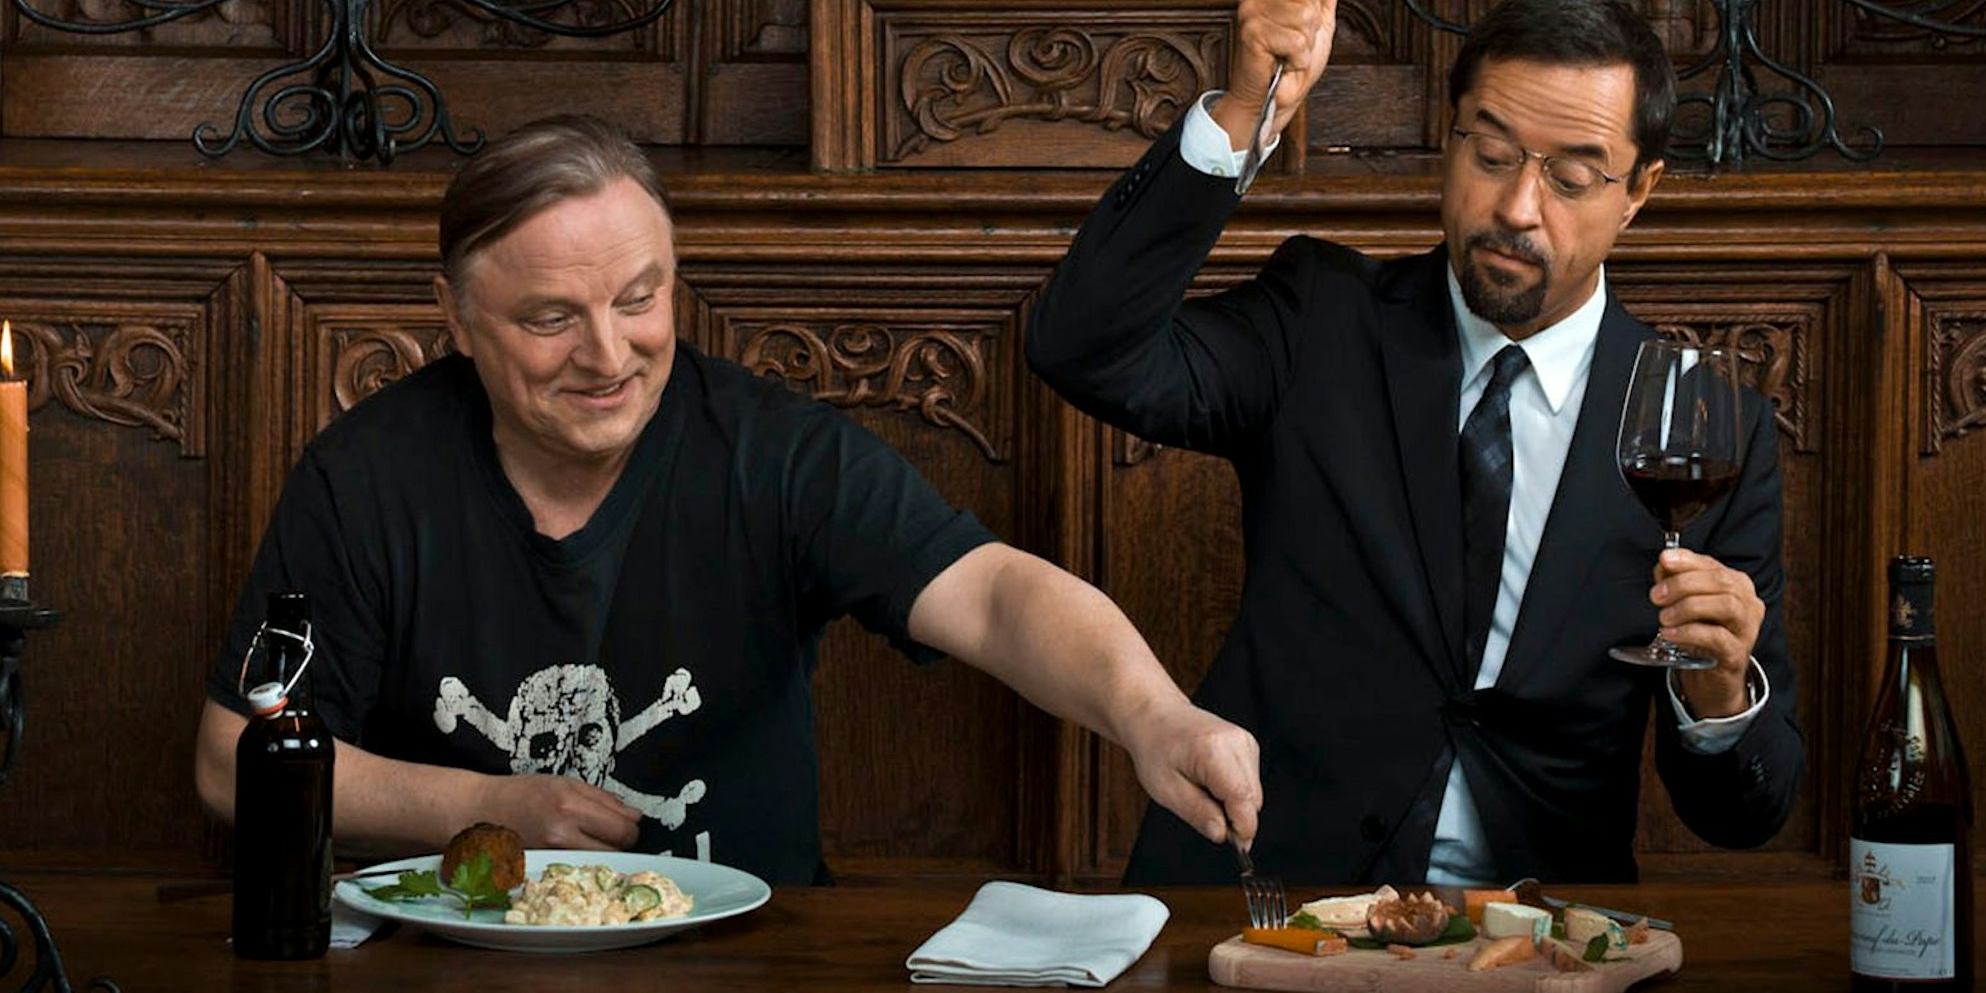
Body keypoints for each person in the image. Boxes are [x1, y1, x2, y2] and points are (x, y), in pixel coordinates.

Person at [193, 115, 1260, 886]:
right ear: (458, 317)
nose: (608, 354)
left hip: (751, 957)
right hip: (455, 959)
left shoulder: (771, 451)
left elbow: (990, 595)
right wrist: (491, 806)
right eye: (551, 318)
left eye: (639, 297)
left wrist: (1152, 713)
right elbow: (233, 759)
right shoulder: (366, 475)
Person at [1024, 0, 1804, 886]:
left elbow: (1745, 816)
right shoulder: (1319, 317)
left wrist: (1715, 689)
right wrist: (1245, 113)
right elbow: (1081, 347)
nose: (1516, 208)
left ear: (1637, 192)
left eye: (1570, 177)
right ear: (1450, 143)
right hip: (1267, 897)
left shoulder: (1708, 426)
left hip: (1536, 936)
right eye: (1491, 154)